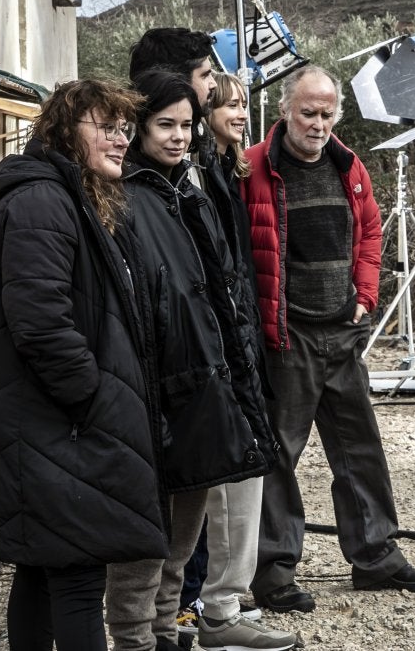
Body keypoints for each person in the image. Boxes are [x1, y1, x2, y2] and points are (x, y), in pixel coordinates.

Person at [0, 79, 165, 651]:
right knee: (79, 573)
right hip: (52, 425)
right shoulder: (44, 201)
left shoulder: (64, 196)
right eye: (105, 127)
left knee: (44, 569)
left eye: (124, 129)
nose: (120, 140)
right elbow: (40, 323)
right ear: (66, 132)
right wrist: (93, 398)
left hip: (44, 425)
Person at [244, 65, 415, 614]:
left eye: (327, 113)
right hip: (289, 337)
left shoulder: (350, 166)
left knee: (359, 447)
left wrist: (366, 294)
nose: (318, 123)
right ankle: (273, 571)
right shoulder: (253, 168)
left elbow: (371, 232)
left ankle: (375, 557)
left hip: (342, 330)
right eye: (308, 112)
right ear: (285, 110)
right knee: (280, 454)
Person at [105, 71, 279, 651]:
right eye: (165, 125)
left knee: (182, 541)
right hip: (159, 392)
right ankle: (136, 641)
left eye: (186, 124)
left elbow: (221, 291)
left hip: (203, 386)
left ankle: (165, 633)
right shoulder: (124, 198)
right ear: (138, 128)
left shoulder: (190, 194)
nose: (179, 136)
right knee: (146, 542)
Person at [192, 72, 294, 651]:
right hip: (225, 346)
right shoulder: (208, 175)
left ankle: (219, 602)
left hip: (243, 339)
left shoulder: (232, 172)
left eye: (243, 105)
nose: (240, 114)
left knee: (245, 475)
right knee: (231, 481)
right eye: (228, 103)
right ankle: (217, 608)